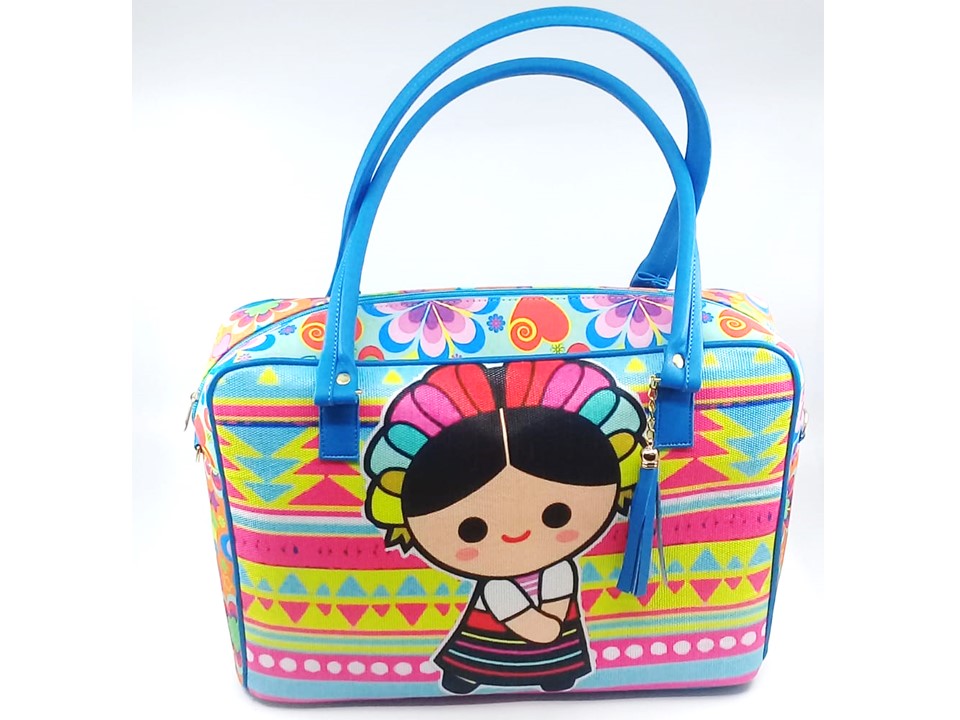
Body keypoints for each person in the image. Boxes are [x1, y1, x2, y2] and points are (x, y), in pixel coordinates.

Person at [363, 359, 646, 694]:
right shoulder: (498, 589)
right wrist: (545, 625)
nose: (515, 536)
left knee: (557, 666)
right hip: (505, 636)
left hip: (552, 635)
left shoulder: (559, 572)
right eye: (472, 530)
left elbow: (556, 604)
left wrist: (549, 621)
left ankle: (554, 670)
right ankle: (473, 673)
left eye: (556, 515)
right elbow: (530, 621)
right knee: (476, 662)